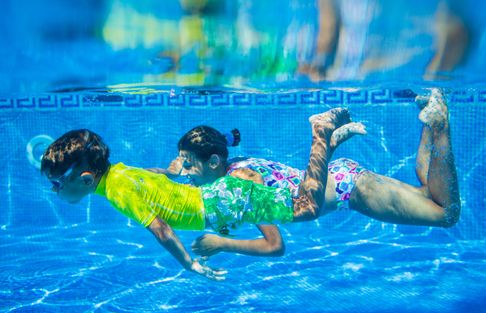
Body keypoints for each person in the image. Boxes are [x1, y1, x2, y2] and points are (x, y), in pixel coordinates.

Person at [40, 110, 348, 281]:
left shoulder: (118, 193)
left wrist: (189, 264)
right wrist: (172, 173)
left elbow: (161, 230)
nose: (56, 191)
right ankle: (329, 144)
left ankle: (320, 134)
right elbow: (152, 174)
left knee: (307, 207)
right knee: (304, 203)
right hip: (216, 196)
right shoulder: (119, 172)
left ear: (84, 179)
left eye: (57, 184)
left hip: (221, 204)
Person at [167, 89, 460, 258]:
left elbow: (274, 245)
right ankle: (430, 113)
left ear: (215, 161)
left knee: (446, 214)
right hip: (341, 175)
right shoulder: (236, 162)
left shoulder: (238, 186)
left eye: (189, 164)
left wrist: (221, 243)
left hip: (352, 190)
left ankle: (438, 124)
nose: (186, 172)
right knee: (429, 192)